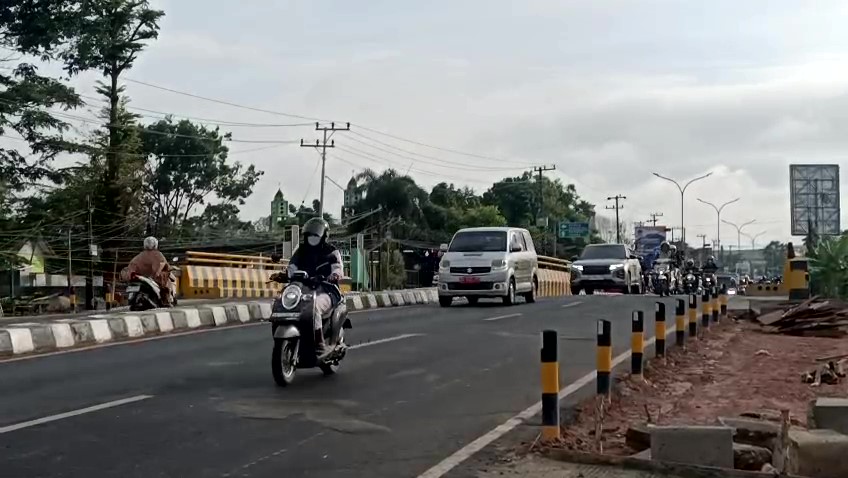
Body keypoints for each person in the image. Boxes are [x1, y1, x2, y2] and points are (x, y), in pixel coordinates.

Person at [287, 217, 343, 359]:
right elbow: (292, 267)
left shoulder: (331, 251)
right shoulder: (301, 251)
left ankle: (319, 344)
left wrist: (334, 276)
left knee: (314, 307)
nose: (312, 238)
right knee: (284, 304)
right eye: (310, 235)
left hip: (327, 290)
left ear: (323, 236)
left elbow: (338, 269)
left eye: (315, 235)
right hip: (303, 289)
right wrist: (286, 274)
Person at [123, 236, 172, 306]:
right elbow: (162, 264)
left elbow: (132, 265)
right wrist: (158, 273)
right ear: (155, 244)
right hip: (153, 278)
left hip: (140, 277)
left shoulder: (140, 255)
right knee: (165, 285)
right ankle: (166, 301)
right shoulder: (157, 254)